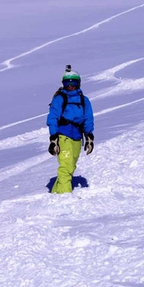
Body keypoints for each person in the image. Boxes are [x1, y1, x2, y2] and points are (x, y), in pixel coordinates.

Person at [47, 65, 94, 194]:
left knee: (71, 166)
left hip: (77, 137)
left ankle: (55, 193)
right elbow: (52, 118)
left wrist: (89, 137)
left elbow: (88, 119)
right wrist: (53, 139)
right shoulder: (60, 99)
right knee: (66, 167)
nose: (70, 86)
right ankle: (64, 196)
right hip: (63, 135)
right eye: (67, 83)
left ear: (78, 83)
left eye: (73, 83)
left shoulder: (84, 100)